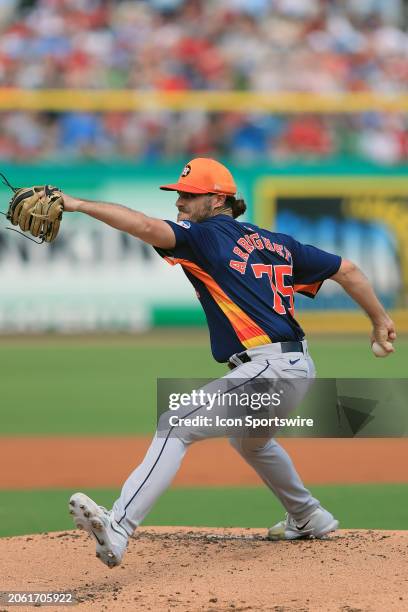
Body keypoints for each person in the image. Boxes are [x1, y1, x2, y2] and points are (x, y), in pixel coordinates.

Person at [64, 158, 396, 568]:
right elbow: (349, 270)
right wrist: (380, 320)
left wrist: (78, 204)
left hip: (267, 367)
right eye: (178, 194)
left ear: (218, 198)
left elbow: (143, 225)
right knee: (251, 441)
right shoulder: (277, 242)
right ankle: (309, 516)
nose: (180, 202)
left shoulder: (203, 237)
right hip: (294, 365)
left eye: (189, 194)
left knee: (176, 423)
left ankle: (119, 526)